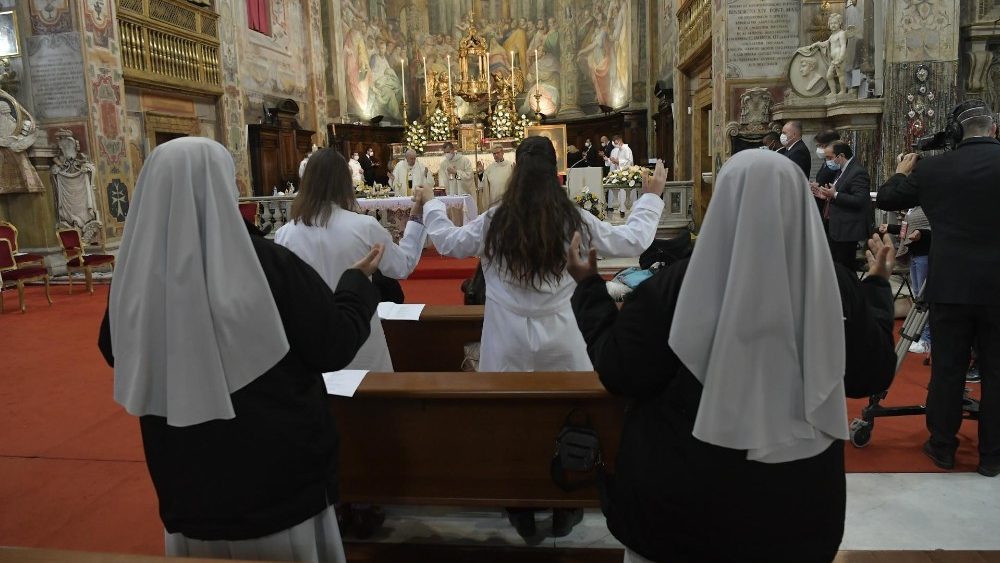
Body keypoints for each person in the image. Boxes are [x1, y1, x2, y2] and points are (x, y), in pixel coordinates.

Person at [567, 149, 897, 563]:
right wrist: (878, 289)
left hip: (682, 510)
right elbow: (872, 372)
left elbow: (621, 370)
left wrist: (589, 290)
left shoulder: (674, 286)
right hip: (796, 510)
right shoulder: (836, 287)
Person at [98, 137, 383, 562]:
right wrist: (355, 286)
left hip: (187, 484)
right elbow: (334, 344)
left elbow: (114, 349)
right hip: (277, 485)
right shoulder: (266, 264)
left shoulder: (135, 276)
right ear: (223, 188)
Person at [415, 136, 665, 539]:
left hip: (507, 341)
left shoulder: (498, 219)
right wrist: (651, 197)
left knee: (512, 420)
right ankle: (565, 500)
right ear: (554, 173)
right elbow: (632, 240)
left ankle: (520, 502)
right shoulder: (571, 219)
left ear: (516, 171)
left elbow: (447, 242)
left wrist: (429, 202)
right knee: (564, 415)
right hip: (563, 340)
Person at [877, 100, 1000, 478]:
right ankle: (992, 457)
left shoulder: (935, 168)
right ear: (993, 129)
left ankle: (943, 446)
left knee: (948, 369)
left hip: (950, 285)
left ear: (958, 134)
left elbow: (888, 197)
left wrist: (901, 170)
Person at [275, 148, 428, 373]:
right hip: (358, 335)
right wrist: (416, 216)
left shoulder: (285, 234)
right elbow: (402, 266)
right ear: (344, 183)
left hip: (311, 342)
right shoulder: (363, 227)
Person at [879, 206, 932, 353]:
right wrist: (889, 227)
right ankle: (920, 334)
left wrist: (920, 233)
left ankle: (928, 339)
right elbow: (907, 228)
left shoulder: (927, 207)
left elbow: (930, 230)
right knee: (917, 296)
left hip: (924, 255)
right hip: (915, 255)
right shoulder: (912, 208)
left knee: (923, 297)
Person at [812, 140, 872, 271]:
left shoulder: (857, 172)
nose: (828, 161)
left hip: (847, 230)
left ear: (840, 156)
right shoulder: (842, 170)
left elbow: (860, 200)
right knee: (836, 268)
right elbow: (836, 194)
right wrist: (826, 196)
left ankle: (850, 291)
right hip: (836, 228)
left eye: (829, 157)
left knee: (845, 269)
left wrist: (835, 195)